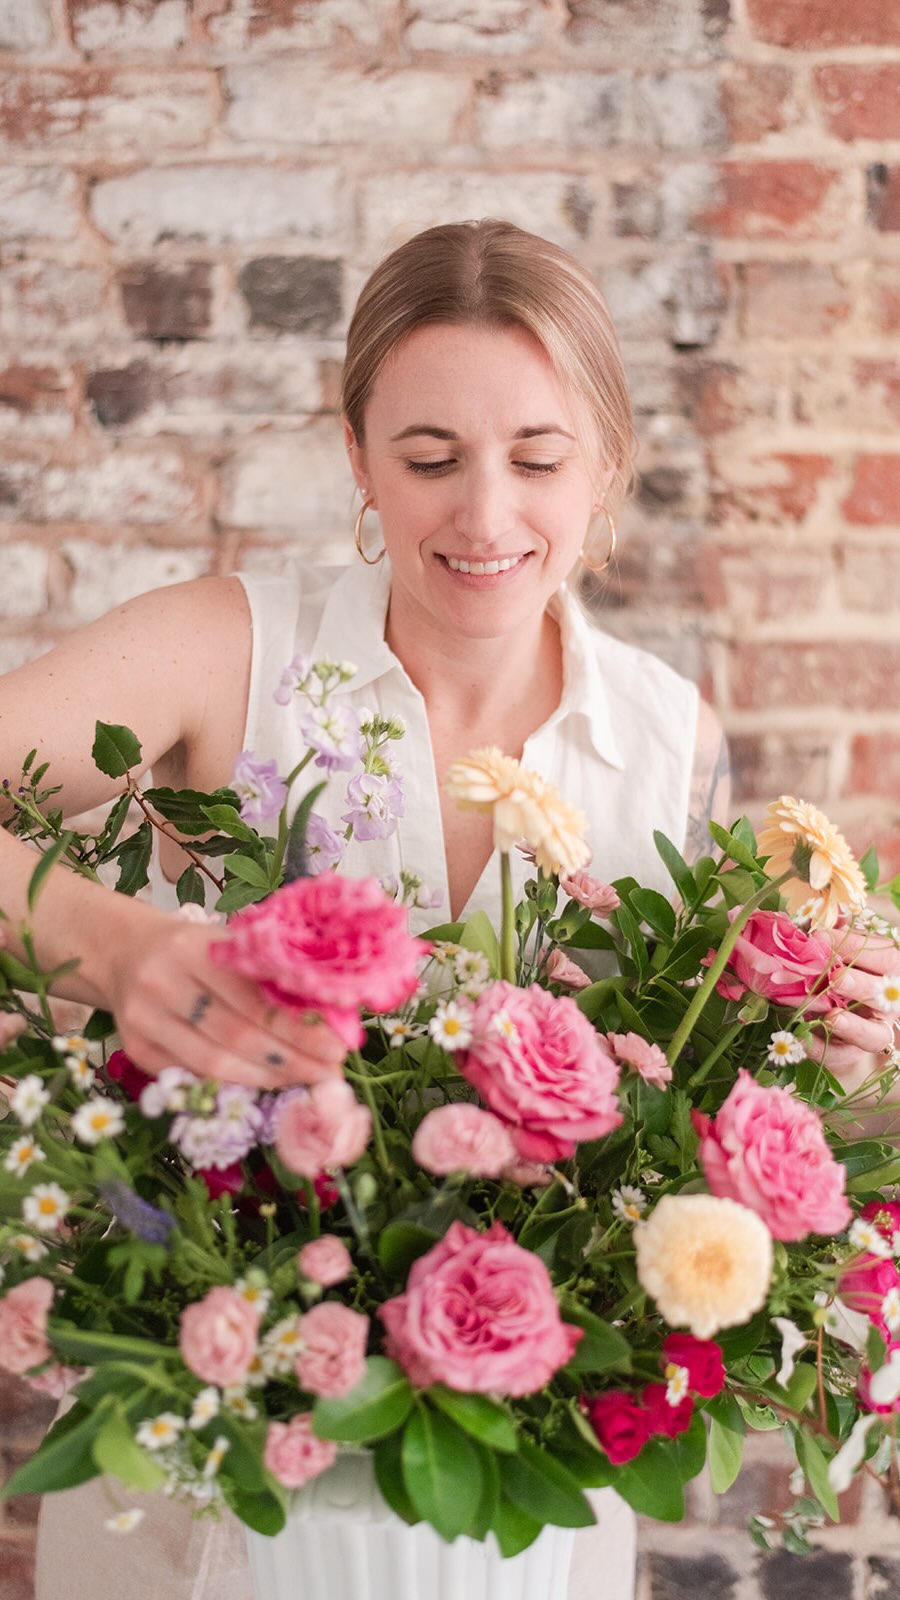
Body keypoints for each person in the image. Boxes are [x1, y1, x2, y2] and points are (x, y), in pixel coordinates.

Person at [0, 218, 891, 1598]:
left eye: (536, 460)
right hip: (208, 1465)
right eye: (428, 460)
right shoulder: (235, 647)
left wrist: (808, 1061)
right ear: (358, 458)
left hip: (505, 1498)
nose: (483, 517)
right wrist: (113, 946)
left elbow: (662, 1132)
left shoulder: (665, 738)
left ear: (605, 470)